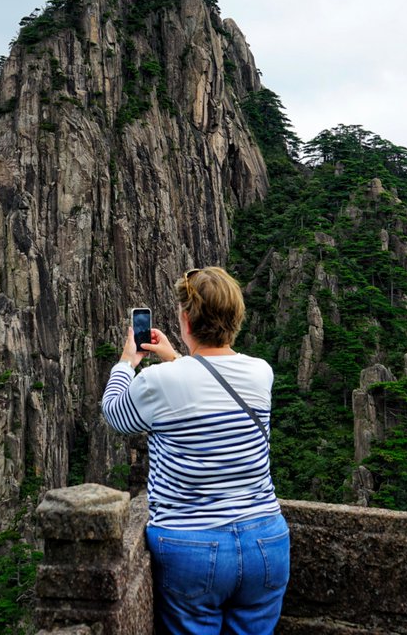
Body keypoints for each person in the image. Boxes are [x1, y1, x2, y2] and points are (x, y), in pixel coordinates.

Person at [102, 266, 290, 634]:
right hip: (266, 541)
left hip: (192, 548)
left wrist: (128, 361)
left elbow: (115, 414)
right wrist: (177, 358)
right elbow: (210, 384)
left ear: (186, 318)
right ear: (236, 317)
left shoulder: (160, 381)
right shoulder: (261, 373)